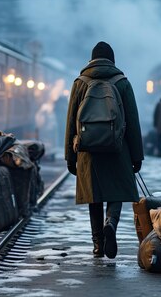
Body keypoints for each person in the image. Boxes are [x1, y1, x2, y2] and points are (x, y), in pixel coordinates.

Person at [65, 41, 143, 259]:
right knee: (115, 191)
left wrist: (70, 157)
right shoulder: (122, 82)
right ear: (112, 60)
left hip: (88, 151)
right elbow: (133, 122)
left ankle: (98, 244)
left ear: (91, 60)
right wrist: (137, 156)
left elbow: (71, 122)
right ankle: (111, 223)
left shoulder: (80, 83)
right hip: (118, 149)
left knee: (94, 196)